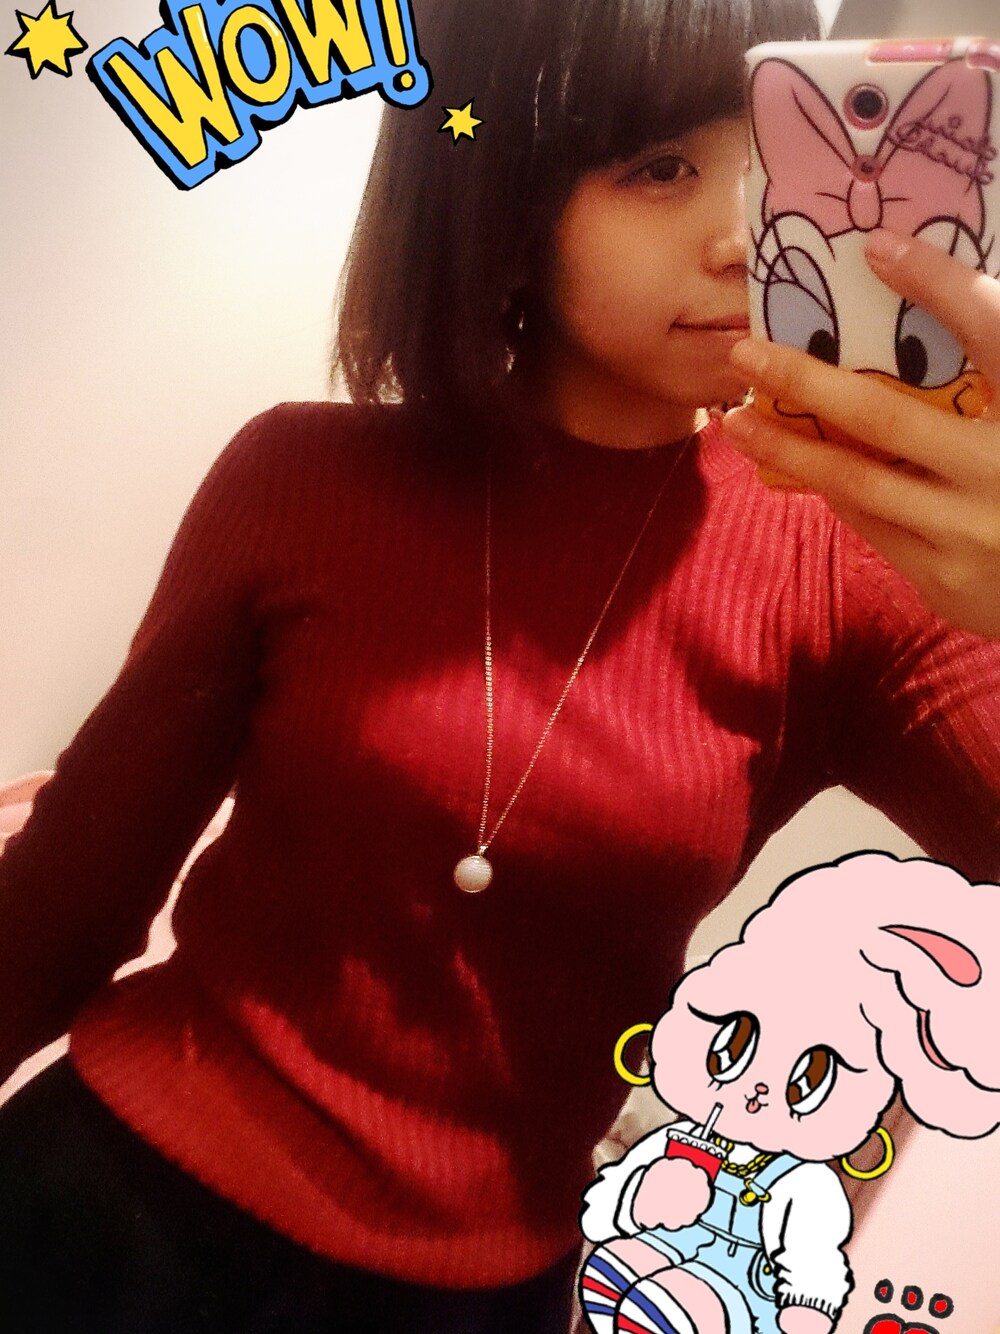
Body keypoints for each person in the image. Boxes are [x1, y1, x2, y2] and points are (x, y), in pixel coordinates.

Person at [1, 0, 999, 1330]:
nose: (741, 233)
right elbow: (69, 893)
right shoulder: (299, 478)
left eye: (774, 159)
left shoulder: (850, 565)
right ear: (505, 201)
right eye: (660, 167)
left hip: (479, 1296)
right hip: (108, 1217)